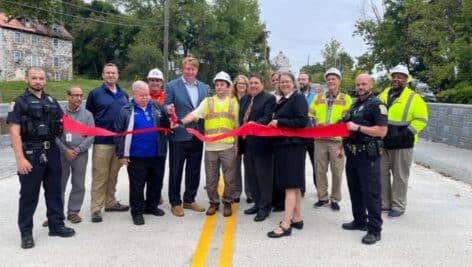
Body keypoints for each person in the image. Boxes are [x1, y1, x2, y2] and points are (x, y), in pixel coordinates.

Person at [7, 67, 75, 249]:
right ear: (27, 79)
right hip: (31, 154)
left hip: (52, 152)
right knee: (29, 196)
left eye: (41, 78)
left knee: (54, 191)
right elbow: (14, 131)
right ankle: (26, 233)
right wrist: (20, 158)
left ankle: (56, 225)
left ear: (45, 80)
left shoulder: (51, 101)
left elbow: (64, 122)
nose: (38, 81)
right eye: (34, 78)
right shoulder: (19, 102)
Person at [178, 71, 238, 217]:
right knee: (211, 179)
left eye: (222, 84)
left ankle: (228, 202)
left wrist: (237, 145)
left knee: (229, 178)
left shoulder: (234, 102)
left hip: (228, 146)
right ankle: (214, 203)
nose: (219, 87)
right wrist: (180, 121)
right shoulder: (208, 102)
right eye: (217, 84)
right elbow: (194, 114)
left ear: (228, 86)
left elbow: (237, 126)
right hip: (211, 147)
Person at [114, 81, 170, 225]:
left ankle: (152, 206)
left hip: (157, 153)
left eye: (147, 95)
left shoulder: (157, 106)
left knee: (156, 182)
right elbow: (118, 134)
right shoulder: (126, 110)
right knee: (137, 186)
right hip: (136, 156)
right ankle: (137, 212)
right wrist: (122, 155)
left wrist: (171, 114)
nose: (146, 98)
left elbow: (167, 124)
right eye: (142, 95)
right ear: (134, 95)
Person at [342, 74, 388, 245]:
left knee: (371, 193)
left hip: (367, 155)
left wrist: (358, 127)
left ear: (371, 85)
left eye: (364, 84)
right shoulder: (355, 105)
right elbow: (346, 127)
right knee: (355, 189)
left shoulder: (377, 105)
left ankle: (375, 229)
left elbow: (382, 131)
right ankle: (360, 221)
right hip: (352, 153)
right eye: (358, 84)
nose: (360, 87)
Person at [379, 64, 428, 217]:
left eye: (400, 76)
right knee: (382, 174)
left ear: (406, 79)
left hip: (402, 145)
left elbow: (421, 120)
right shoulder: (383, 94)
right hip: (384, 142)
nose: (396, 78)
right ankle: (384, 203)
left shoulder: (414, 98)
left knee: (400, 177)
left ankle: (398, 206)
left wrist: (405, 133)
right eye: (394, 76)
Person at [165, 57, 209, 217]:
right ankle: (175, 202)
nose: (190, 71)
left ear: (197, 71)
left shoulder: (205, 88)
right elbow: (165, 106)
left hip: (197, 135)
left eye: (193, 69)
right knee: (176, 170)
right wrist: (167, 109)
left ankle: (189, 199)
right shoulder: (172, 86)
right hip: (178, 135)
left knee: (194, 169)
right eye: (187, 68)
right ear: (182, 69)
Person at [86, 63, 130, 223]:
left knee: (113, 175)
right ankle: (96, 208)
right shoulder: (95, 94)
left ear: (118, 75)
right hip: (102, 142)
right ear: (103, 75)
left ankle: (110, 202)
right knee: (100, 175)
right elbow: (88, 116)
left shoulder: (124, 94)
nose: (111, 75)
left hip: (119, 143)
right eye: (108, 73)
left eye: (113, 73)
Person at [267, 72, 308, 238]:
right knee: (295, 185)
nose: (284, 84)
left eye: (287, 81)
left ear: (294, 83)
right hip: (284, 146)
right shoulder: (283, 100)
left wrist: (279, 122)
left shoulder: (297, 98)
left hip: (293, 147)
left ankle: (286, 224)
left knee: (290, 186)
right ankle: (297, 218)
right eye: (282, 82)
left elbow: (301, 121)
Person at [309, 67, 352, 211]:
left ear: (339, 81)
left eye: (334, 79)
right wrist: (316, 123)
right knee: (320, 170)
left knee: (337, 171)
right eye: (328, 79)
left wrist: (337, 126)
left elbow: (348, 118)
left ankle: (335, 199)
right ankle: (322, 197)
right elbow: (311, 114)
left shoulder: (346, 99)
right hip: (320, 139)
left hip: (337, 141)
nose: (330, 81)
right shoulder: (318, 97)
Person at [56, 86, 95, 224]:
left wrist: (77, 150)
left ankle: (73, 212)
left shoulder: (87, 115)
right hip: (62, 154)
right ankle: (56, 214)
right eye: (75, 95)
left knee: (78, 184)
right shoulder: (59, 113)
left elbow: (91, 135)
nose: (79, 98)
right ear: (68, 97)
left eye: (81, 95)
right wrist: (64, 150)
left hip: (80, 155)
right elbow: (54, 134)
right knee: (58, 185)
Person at [240, 75, 276, 222]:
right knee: (251, 175)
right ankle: (257, 202)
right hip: (247, 143)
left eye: (256, 83)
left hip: (262, 144)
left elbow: (267, 118)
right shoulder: (245, 99)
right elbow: (240, 120)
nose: (253, 85)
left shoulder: (269, 99)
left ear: (262, 84)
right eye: (251, 83)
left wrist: (252, 125)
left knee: (263, 177)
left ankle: (265, 207)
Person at [232, 74, 252, 204]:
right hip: (235, 135)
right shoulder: (231, 99)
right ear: (235, 85)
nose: (241, 86)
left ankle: (250, 193)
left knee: (249, 166)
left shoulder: (251, 99)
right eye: (239, 83)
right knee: (235, 166)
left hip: (248, 135)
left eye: (244, 84)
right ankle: (236, 192)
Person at [298, 73, 316, 190]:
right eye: (299, 79)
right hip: (299, 134)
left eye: (303, 79)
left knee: (316, 163)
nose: (301, 81)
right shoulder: (294, 96)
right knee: (299, 164)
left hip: (312, 134)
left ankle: (320, 188)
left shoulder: (316, 97)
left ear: (309, 81)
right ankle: (301, 189)